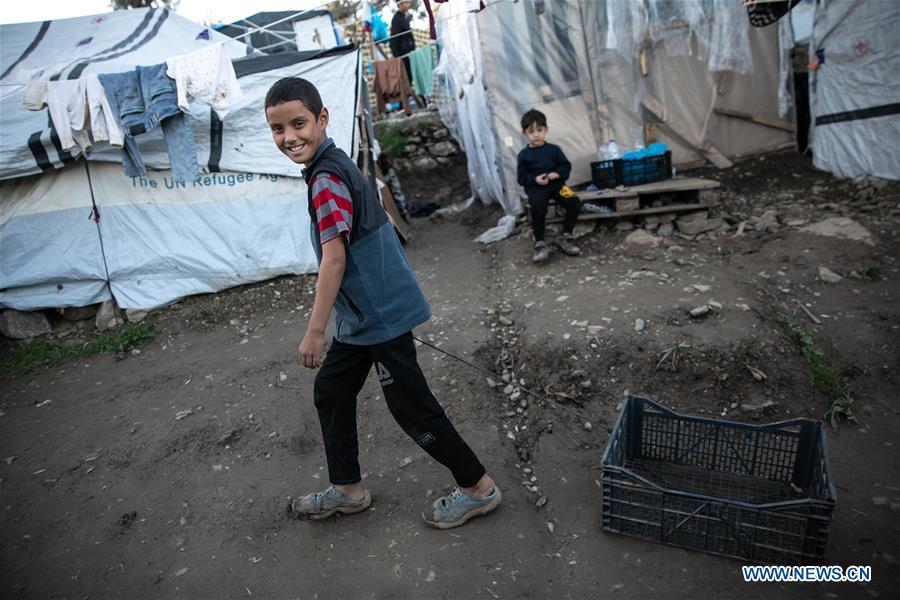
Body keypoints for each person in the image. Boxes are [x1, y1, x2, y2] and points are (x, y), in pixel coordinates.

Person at [264, 77, 501, 529]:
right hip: (362, 318)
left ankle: (478, 487)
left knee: (412, 407)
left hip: (379, 314)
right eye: (278, 129)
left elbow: (334, 259)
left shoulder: (326, 179)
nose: (289, 137)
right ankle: (349, 490)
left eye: (298, 124)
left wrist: (315, 331)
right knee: (332, 392)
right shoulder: (332, 166)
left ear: (322, 119)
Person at [516, 109, 582, 264]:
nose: (536, 135)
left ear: (546, 130)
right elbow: (521, 178)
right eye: (531, 131)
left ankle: (566, 236)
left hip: (558, 186)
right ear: (525, 134)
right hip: (536, 189)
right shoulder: (523, 155)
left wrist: (557, 174)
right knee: (538, 206)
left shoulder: (554, 150)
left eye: (539, 130)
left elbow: (566, 166)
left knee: (573, 200)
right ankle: (539, 242)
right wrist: (534, 179)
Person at [390, 0, 416, 89]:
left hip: (409, 53)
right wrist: (398, 59)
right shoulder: (396, 19)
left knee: (411, 79)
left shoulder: (404, 17)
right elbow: (393, 40)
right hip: (403, 55)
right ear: (400, 4)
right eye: (406, 2)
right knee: (406, 80)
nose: (409, 4)